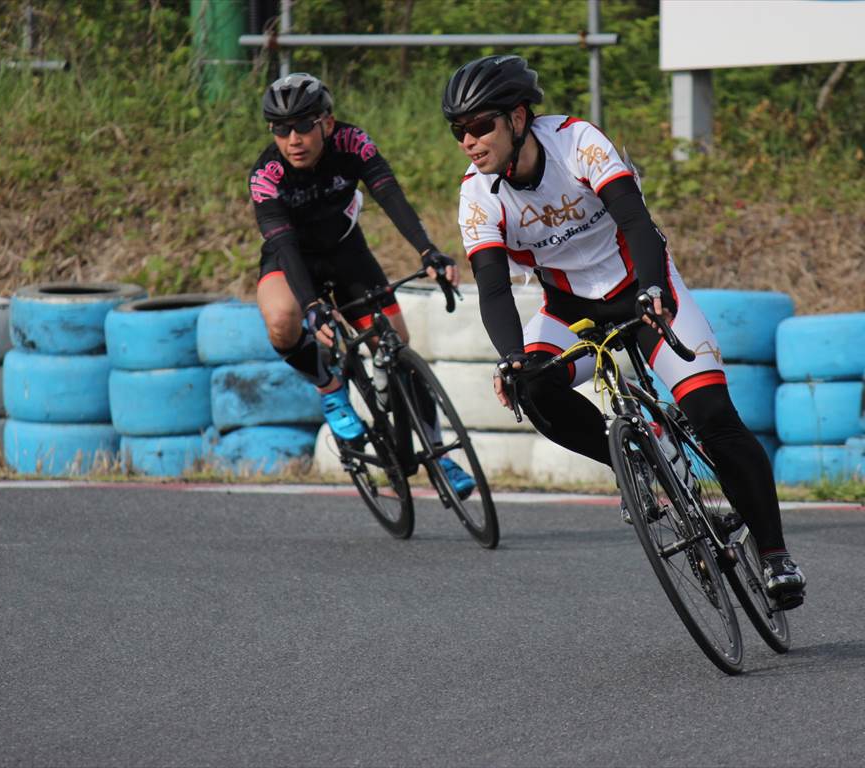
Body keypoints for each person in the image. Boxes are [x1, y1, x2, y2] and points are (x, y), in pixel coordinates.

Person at [442, 55, 806, 607]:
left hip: (642, 287)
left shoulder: (576, 141)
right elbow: (492, 288)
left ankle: (776, 555)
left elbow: (636, 221)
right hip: (572, 311)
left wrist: (655, 289)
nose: (469, 141)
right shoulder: (477, 194)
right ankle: (633, 462)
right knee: (529, 385)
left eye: (479, 125)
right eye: (458, 131)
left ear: (517, 118)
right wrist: (511, 356)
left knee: (712, 415)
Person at [250, 72, 475, 496]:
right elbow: (283, 245)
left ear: (327, 123)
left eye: (303, 125)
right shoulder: (267, 174)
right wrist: (311, 304)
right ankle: (331, 388)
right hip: (292, 260)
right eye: (280, 129)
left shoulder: (352, 143)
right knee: (281, 320)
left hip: (347, 255)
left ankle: (438, 455)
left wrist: (427, 251)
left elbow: (390, 196)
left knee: (397, 348)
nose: (293, 139)